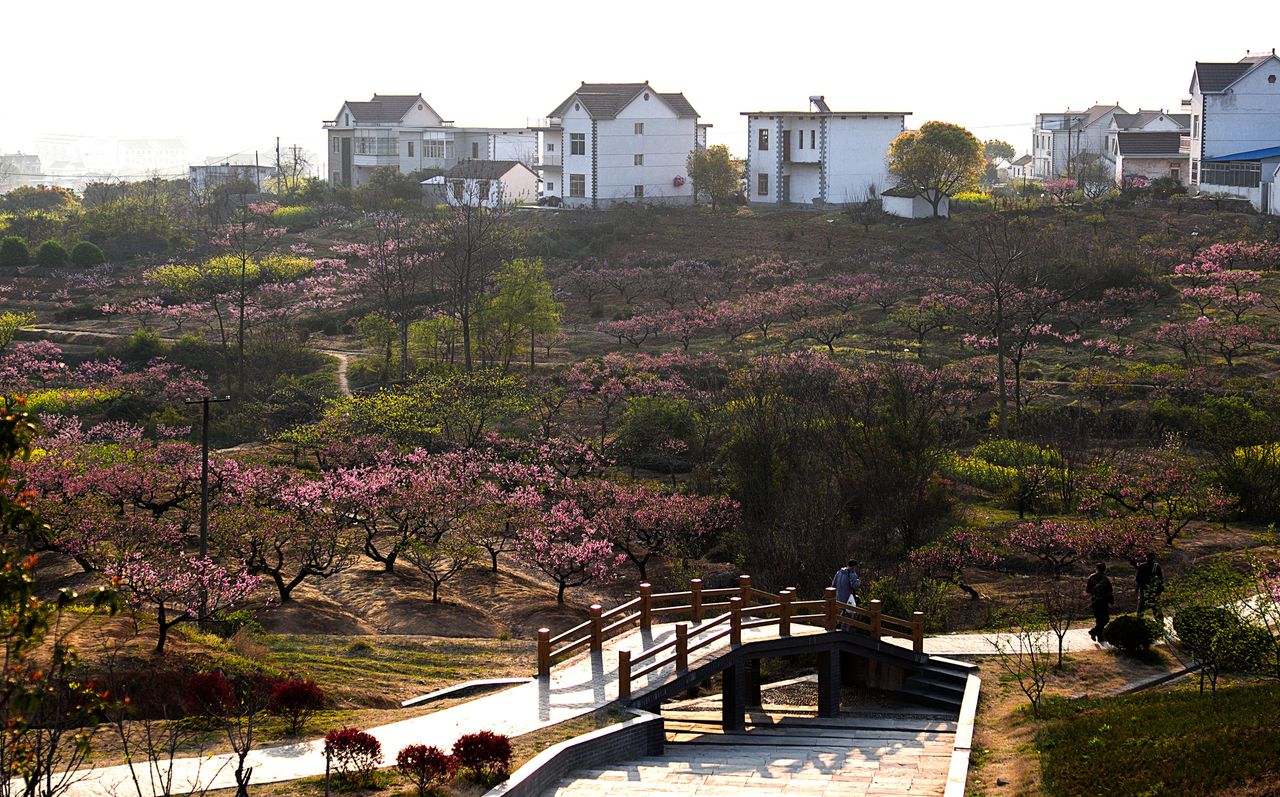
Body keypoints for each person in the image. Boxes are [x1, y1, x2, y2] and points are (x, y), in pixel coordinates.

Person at [1085, 562, 1114, 642]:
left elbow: (1088, 590)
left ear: (1096, 568)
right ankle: (1093, 632)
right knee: (1105, 619)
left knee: (1099, 619)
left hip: (1094, 601)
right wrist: (1111, 601)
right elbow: (1109, 591)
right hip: (1103, 601)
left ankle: (1100, 637)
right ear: (1105, 569)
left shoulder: (1091, 577)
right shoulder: (1105, 578)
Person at [1133, 551, 1165, 622]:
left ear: (1146, 558)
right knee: (1156, 608)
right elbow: (1161, 580)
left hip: (1144, 590)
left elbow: (1138, 579)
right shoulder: (1157, 566)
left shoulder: (1141, 566)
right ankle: (1160, 623)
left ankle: (1139, 622)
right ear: (1154, 558)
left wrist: (1137, 588)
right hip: (1154, 591)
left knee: (1141, 608)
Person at [832, 559, 862, 628]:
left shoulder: (839, 572)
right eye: (856, 567)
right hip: (848, 600)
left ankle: (838, 626)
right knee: (848, 617)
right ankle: (844, 633)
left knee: (843, 614)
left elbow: (833, 585)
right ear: (854, 567)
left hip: (839, 599)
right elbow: (855, 586)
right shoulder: (851, 573)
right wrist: (859, 581)